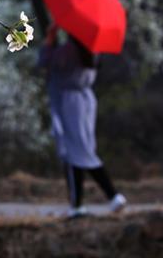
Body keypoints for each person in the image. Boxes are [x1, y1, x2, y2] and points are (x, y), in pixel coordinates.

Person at [37, 22, 127, 219]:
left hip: (69, 103)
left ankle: (110, 196)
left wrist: (50, 38)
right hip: (86, 101)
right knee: (81, 150)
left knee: (76, 152)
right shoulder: (92, 50)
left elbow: (44, 62)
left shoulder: (68, 51)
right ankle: (85, 202)